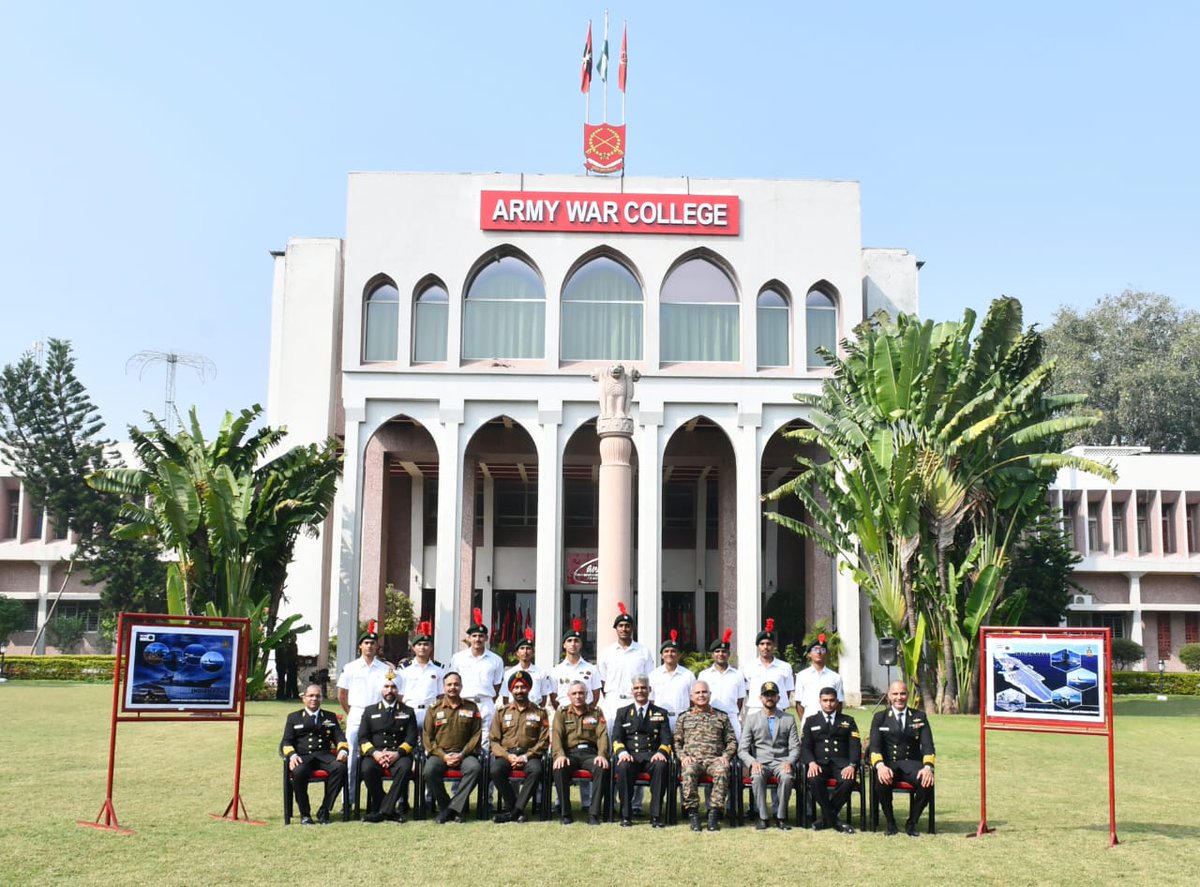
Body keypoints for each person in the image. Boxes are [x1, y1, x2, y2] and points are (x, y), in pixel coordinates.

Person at [869, 680, 936, 837]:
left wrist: (928, 768)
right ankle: (890, 822)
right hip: (888, 764)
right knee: (881, 783)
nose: (899, 697)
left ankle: (912, 822)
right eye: (895, 694)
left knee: (926, 783)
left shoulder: (919, 717)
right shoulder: (880, 718)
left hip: (912, 765)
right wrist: (879, 766)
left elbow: (928, 746)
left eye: (903, 693)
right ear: (889, 696)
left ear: (908, 695)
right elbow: (874, 746)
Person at [336, 622, 392, 808]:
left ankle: (376, 800)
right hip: (357, 712)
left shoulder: (385, 669)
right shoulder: (350, 667)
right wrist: (351, 712)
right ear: (360, 646)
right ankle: (349, 799)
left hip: (378, 715)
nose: (369, 646)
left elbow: (389, 692)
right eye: (366, 642)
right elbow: (342, 694)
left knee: (375, 756)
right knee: (352, 757)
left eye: (372, 643)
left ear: (377, 647)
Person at [280, 683, 349, 825]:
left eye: (317, 696)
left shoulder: (329, 717)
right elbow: (286, 742)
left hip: (324, 756)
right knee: (299, 772)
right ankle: (305, 814)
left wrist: (342, 749)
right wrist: (292, 755)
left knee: (340, 768)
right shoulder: (294, 717)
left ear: (322, 699)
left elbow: (340, 737)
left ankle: (324, 810)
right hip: (302, 757)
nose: (314, 699)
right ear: (304, 698)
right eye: (310, 696)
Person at [674, 681, 736, 832]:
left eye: (704, 692)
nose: (701, 695)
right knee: (688, 771)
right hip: (693, 760)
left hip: (714, 760)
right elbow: (676, 742)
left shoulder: (721, 717)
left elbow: (732, 740)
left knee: (722, 770)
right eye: (698, 693)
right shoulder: (684, 717)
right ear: (691, 696)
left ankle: (714, 813)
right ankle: (693, 813)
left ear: (709, 694)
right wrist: (683, 757)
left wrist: (726, 756)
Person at [489, 669, 550, 823]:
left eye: (523, 687)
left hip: (530, 755)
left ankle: (513, 812)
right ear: (511, 690)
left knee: (536, 770)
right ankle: (516, 809)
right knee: (495, 770)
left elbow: (543, 741)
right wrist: (507, 756)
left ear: (529, 689)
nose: (519, 691)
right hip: (507, 754)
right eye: (516, 688)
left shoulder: (540, 712)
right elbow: (494, 741)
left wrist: (525, 756)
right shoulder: (502, 712)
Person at [422, 671, 483, 824]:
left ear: (461, 686)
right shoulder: (434, 709)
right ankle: (447, 807)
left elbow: (476, 735)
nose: (452, 687)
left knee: (475, 769)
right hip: (440, 754)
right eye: (449, 684)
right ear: (443, 687)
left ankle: (450, 810)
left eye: (456, 684)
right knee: (429, 771)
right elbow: (427, 737)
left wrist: (462, 755)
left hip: (465, 754)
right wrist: (443, 756)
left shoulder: (471, 707)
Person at [611, 674, 671, 828]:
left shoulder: (660, 712)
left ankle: (656, 815)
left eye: (643, 688)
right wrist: (622, 753)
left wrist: (661, 753)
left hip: (652, 756)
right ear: (632, 691)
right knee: (623, 767)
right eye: (637, 688)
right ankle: (625, 814)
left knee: (661, 766)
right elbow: (616, 737)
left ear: (649, 690)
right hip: (630, 756)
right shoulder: (622, 712)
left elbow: (666, 739)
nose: (640, 691)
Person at [738, 680, 799, 830]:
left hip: (781, 762)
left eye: (773, 695)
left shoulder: (788, 719)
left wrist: (789, 761)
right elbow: (742, 749)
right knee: (757, 777)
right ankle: (763, 817)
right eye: (766, 695)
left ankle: (781, 816)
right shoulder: (752, 719)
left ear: (778, 698)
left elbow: (795, 747)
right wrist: (752, 762)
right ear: (761, 698)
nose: (769, 698)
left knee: (787, 777)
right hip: (761, 762)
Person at [801, 685, 861, 833]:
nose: (829, 704)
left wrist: (852, 765)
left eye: (832, 700)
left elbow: (855, 746)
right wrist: (811, 763)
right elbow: (805, 747)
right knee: (814, 780)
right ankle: (834, 820)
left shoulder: (848, 721)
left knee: (848, 780)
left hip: (841, 764)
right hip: (819, 763)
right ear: (820, 701)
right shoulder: (811, 721)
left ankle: (826, 819)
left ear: (837, 702)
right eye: (825, 700)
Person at [358, 676, 419, 823]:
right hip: (375, 754)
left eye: (393, 687)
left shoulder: (408, 711)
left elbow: (411, 739)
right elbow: (363, 738)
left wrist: (397, 753)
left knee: (405, 769)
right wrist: (376, 753)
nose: (389, 690)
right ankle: (389, 809)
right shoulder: (369, 711)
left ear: (398, 690)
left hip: (399, 754)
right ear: (381, 690)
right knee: (367, 769)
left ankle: (381, 810)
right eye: (386, 686)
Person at [551, 680, 609, 825]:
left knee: (601, 768)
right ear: (569, 696)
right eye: (574, 693)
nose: (578, 696)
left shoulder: (596, 712)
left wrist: (602, 754)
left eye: (581, 693)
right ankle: (565, 813)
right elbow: (556, 735)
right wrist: (560, 755)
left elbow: (602, 735)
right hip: (570, 754)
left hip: (590, 754)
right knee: (559, 768)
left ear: (587, 695)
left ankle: (594, 813)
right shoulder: (562, 713)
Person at [448, 608, 505, 749]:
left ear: (486, 638)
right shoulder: (458, 658)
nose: (477, 639)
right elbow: (453, 681)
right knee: (462, 736)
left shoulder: (496, 660)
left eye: (481, 636)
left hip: (486, 703)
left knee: (486, 739)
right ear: (468, 638)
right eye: (474, 636)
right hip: (464, 702)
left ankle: (484, 769)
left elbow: (497, 685)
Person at [597, 603, 654, 725]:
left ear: (632, 628)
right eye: (620, 626)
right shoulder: (607, 652)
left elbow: (650, 678)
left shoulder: (643, 651)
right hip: (613, 700)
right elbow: (602, 680)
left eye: (627, 626)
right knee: (612, 735)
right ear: (616, 628)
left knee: (635, 736)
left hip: (635, 699)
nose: (624, 629)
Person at [698, 629, 746, 742]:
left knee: (734, 749)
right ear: (712, 655)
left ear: (729, 654)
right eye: (717, 651)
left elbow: (740, 700)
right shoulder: (704, 675)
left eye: (724, 651)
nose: (721, 654)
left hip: (731, 717)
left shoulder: (738, 675)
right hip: (710, 718)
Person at [742, 619, 795, 716]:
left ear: (774, 646)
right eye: (762, 644)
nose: (765, 647)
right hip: (756, 710)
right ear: (758, 646)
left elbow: (787, 690)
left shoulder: (785, 667)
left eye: (769, 644)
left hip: (778, 709)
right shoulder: (749, 667)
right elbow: (747, 690)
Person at [397, 620, 442, 728]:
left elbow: (441, 695)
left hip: (430, 710)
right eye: (419, 644)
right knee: (409, 742)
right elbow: (399, 694)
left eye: (426, 644)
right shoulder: (404, 669)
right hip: (410, 710)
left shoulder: (438, 669)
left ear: (431, 648)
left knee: (429, 744)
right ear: (413, 648)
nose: (422, 647)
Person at [648, 630, 694, 733]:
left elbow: (693, 701)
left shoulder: (688, 675)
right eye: (666, 651)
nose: (670, 654)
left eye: (673, 651)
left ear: (678, 654)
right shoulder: (653, 675)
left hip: (683, 721)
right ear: (661, 655)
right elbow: (651, 700)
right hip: (660, 720)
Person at [550, 619, 602, 710]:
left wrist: (588, 711)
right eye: (569, 641)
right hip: (564, 713)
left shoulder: (592, 669)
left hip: (586, 713)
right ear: (564, 645)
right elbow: (553, 697)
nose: (573, 644)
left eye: (576, 641)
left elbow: (596, 696)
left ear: (581, 644)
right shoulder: (556, 670)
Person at [794, 633, 844, 724]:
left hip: (830, 722)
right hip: (808, 720)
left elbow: (839, 703)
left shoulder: (835, 677)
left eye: (822, 649)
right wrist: (804, 723)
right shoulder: (802, 676)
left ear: (826, 653)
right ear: (809, 654)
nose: (819, 652)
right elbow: (798, 703)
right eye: (815, 649)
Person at [501, 628, 554, 707]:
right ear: (517, 653)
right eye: (522, 648)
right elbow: (505, 698)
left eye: (528, 648)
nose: (525, 651)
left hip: (534, 711)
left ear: (533, 653)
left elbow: (544, 698)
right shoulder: (509, 673)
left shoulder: (541, 673)